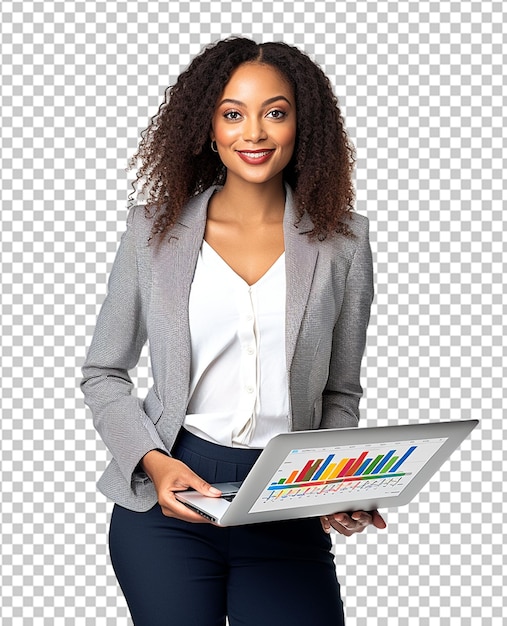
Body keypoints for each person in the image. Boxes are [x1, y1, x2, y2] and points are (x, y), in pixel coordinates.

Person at [81, 37, 386, 626]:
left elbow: (339, 394)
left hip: (285, 499)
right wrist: (152, 460)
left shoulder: (344, 243)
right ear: (208, 126)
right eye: (233, 113)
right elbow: (104, 371)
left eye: (275, 112)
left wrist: (333, 487)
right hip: (171, 499)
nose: (254, 133)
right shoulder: (153, 233)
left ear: (302, 125)